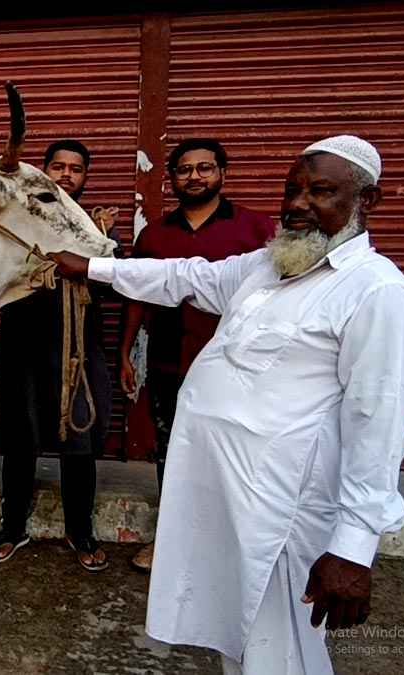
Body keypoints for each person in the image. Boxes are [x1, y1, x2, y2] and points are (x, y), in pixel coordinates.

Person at [50, 136, 404, 674]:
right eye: (292, 190)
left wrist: (354, 548)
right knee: (239, 637)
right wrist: (93, 267)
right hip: (230, 497)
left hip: (285, 515)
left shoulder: (377, 293)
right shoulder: (270, 267)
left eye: (321, 192)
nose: (297, 204)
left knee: (282, 649)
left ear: (368, 200)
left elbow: (378, 424)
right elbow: (185, 276)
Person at [122, 139, 275, 572]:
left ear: (222, 173)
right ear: (171, 179)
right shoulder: (154, 234)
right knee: (171, 452)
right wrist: (126, 353)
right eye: (185, 170)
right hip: (170, 362)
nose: (195, 177)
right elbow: (137, 297)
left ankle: (234, 546)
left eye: (205, 168)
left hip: (237, 367)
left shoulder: (258, 230)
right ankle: (171, 543)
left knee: (235, 454)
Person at [0, 140, 120, 572]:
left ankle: (80, 531)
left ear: (85, 177)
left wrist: (94, 253)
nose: (66, 175)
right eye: (57, 167)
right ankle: (13, 529)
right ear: (43, 173)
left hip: (78, 353)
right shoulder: (17, 223)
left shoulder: (94, 229)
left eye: (75, 169)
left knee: (80, 446)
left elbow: (113, 282)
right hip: (22, 347)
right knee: (19, 445)